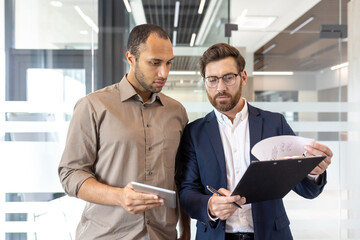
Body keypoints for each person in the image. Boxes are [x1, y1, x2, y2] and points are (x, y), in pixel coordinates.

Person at [176, 43, 333, 240]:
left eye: (228, 77)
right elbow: (187, 191)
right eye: (212, 80)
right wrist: (209, 206)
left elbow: (307, 189)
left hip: (271, 234)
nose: (221, 87)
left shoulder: (274, 124)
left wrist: (312, 171)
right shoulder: (194, 132)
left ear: (242, 77)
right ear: (205, 82)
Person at [58, 24, 190, 240]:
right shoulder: (93, 106)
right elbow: (70, 174)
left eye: (168, 63)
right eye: (155, 63)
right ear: (131, 58)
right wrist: (119, 196)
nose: (163, 72)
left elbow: (182, 178)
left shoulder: (177, 112)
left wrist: (185, 234)